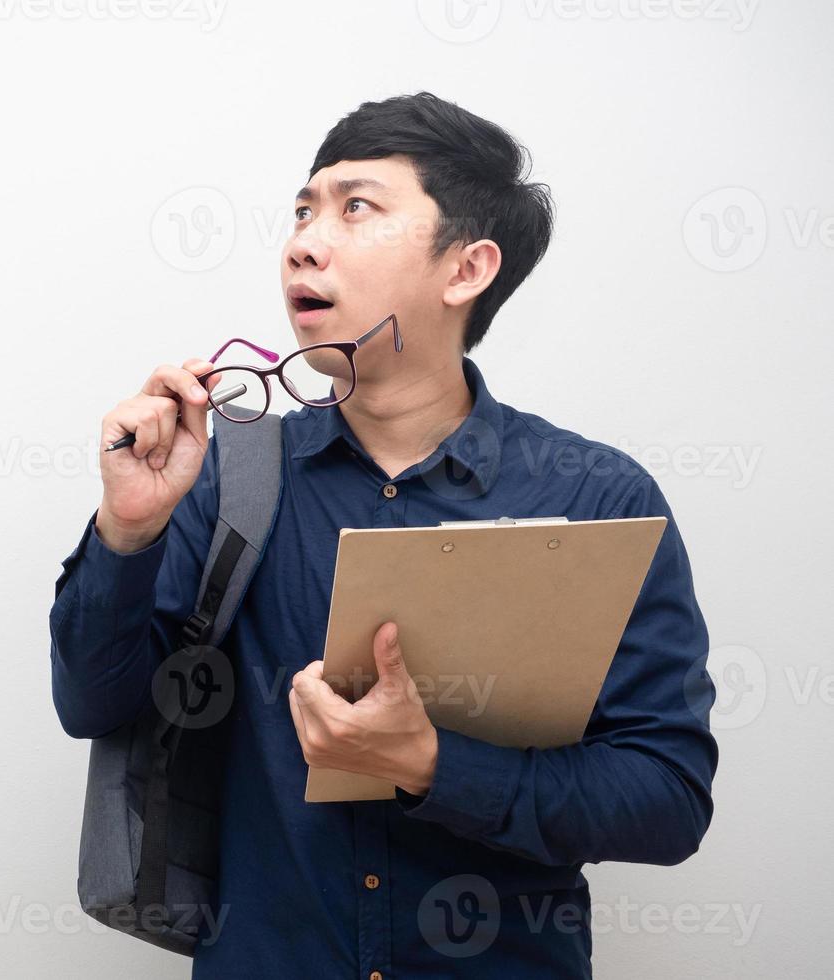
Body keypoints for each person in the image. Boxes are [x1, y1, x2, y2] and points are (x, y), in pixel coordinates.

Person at [49, 91, 717, 978]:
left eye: (355, 208)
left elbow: (668, 801)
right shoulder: (232, 478)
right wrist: (127, 530)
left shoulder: (595, 494)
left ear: (465, 269)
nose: (303, 241)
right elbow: (92, 708)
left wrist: (437, 763)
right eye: (301, 210)